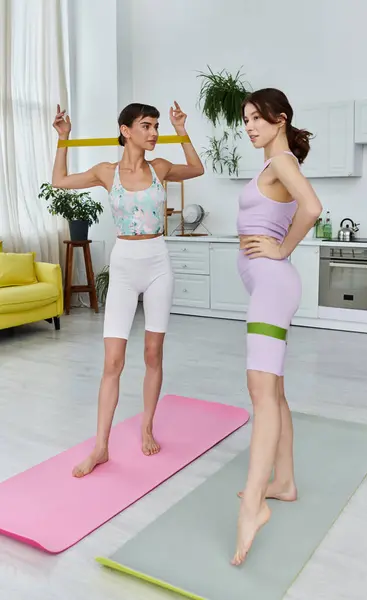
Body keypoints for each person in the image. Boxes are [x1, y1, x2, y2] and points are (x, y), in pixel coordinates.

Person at [51, 101, 204, 477]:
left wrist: (181, 128)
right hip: (123, 266)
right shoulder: (107, 173)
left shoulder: (160, 169)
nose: (154, 132)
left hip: (157, 264)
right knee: (112, 362)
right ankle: (101, 446)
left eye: (155, 126)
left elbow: (197, 168)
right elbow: (59, 182)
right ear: (126, 130)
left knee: (153, 353)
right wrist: (63, 140)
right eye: (146, 126)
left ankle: (147, 427)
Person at [231, 88, 322, 566]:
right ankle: (283, 481)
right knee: (275, 391)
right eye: (245, 119)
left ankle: (254, 504)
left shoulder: (282, 160)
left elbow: (312, 207)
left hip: (272, 286)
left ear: (280, 119)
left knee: (260, 392)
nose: (248, 126)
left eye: (256, 118)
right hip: (266, 284)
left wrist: (282, 250)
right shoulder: (270, 164)